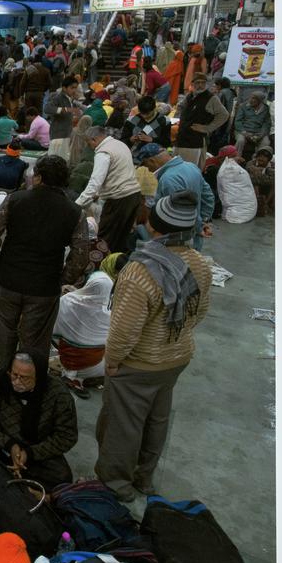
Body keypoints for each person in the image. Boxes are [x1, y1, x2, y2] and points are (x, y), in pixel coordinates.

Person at [95, 191, 212, 502]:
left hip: (139, 363)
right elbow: (199, 312)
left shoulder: (140, 270)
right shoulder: (199, 264)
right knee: (157, 419)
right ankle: (144, 478)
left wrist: (113, 361)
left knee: (124, 425)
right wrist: (172, 339)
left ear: (154, 225)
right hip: (176, 358)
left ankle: (117, 484)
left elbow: (124, 330)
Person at [0, 155, 90, 368]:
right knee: (35, 339)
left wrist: (1, 263)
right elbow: (81, 255)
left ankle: (5, 374)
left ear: (38, 177)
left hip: (8, 281)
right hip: (44, 287)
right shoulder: (75, 212)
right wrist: (62, 279)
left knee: (4, 331)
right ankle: (28, 378)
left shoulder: (15, 199)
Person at [0, 351, 78, 489]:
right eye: (14, 374)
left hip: (37, 450)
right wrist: (9, 445)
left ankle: (5, 483)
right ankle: (11, 484)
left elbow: (66, 436)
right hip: (1, 445)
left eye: (25, 378)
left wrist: (29, 453)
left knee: (62, 479)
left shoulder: (59, 395)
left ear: (38, 377)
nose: (17, 381)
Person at [75, 127, 143, 254]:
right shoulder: (120, 144)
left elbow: (95, 182)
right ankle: (117, 263)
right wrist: (98, 194)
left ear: (94, 139)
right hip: (134, 194)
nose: (90, 147)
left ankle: (100, 264)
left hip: (119, 198)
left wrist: (77, 205)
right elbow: (117, 172)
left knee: (104, 239)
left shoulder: (103, 152)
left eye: (89, 143)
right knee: (122, 237)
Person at [138, 143, 215, 251]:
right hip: (193, 235)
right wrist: (204, 220)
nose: (148, 170)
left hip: (179, 240)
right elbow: (208, 197)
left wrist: (199, 226)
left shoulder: (168, 179)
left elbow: (183, 209)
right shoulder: (191, 166)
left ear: (151, 161)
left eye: (146, 166)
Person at [51, 271, 114, 396]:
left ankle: (71, 375)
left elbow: (54, 331)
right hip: (94, 367)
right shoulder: (110, 314)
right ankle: (80, 378)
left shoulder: (68, 300)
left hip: (67, 359)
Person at [174, 73, 230, 169]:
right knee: (178, 168)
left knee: (189, 170)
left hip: (195, 142)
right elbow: (180, 107)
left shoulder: (211, 98)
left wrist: (208, 128)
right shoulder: (190, 96)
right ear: (192, 84)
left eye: (203, 83)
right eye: (198, 82)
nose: (200, 85)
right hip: (181, 139)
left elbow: (224, 115)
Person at [120, 95, 172, 165]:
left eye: (147, 114)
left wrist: (152, 139)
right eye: (142, 113)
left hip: (156, 161)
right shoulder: (131, 120)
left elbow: (167, 142)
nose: (144, 116)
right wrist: (130, 139)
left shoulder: (164, 120)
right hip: (134, 160)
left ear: (154, 109)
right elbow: (122, 141)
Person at [43, 76, 81, 160]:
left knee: (63, 159)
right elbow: (47, 108)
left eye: (75, 88)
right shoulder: (58, 97)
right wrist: (66, 109)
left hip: (67, 133)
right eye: (72, 88)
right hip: (58, 135)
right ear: (64, 88)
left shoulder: (70, 99)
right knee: (54, 160)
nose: (74, 90)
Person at [233, 92, 272, 158]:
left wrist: (261, 135)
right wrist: (245, 133)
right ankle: (236, 158)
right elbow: (238, 121)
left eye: (254, 98)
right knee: (240, 140)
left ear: (259, 100)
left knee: (266, 142)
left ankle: (257, 159)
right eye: (250, 98)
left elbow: (266, 124)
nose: (250, 100)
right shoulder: (243, 106)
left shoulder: (265, 108)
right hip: (243, 131)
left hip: (258, 132)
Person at [247, 147, 275, 216]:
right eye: (259, 156)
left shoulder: (272, 165)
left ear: (268, 159)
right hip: (254, 187)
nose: (261, 158)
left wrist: (263, 170)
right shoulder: (251, 163)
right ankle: (258, 202)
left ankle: (266, 203)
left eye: (264, 157)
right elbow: (249, 170)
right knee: (254, 179)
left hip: (267, 186)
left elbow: (273, 177)